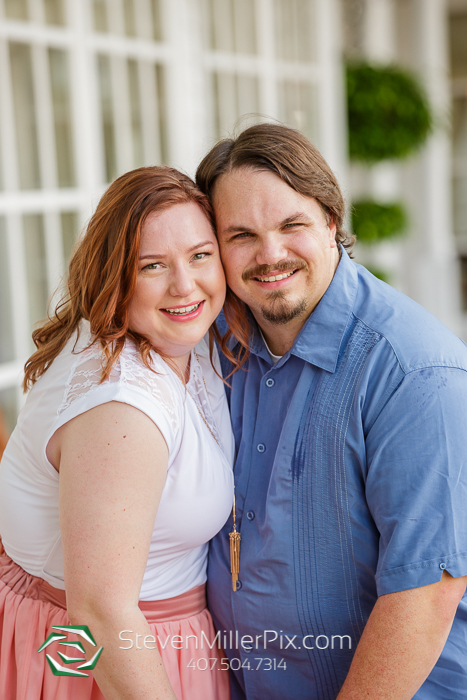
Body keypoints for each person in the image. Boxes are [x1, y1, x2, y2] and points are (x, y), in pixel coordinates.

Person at [196, 123, 467, 700]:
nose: (270, 255)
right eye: (241, 235)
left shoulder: (413, 370)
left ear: (330, 222)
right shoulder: (212, 341)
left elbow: (425, 591)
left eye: (291, 225)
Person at [0, 166, 235, 700]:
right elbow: (101, 615)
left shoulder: (178, 338)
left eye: (201, 255)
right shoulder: (122, 406)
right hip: (113, 663)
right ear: (114, 276)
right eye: (153, 265)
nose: (185, 284)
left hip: (161, 640)